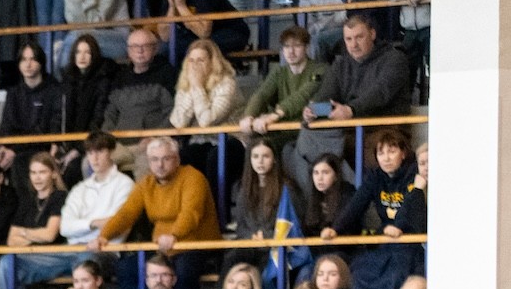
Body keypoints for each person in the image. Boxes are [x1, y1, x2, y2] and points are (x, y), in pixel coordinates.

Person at [0, 131, 131, 289]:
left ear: (111, 152)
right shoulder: (80, 188)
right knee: (8, 262)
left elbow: (118, 225)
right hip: (70, 249)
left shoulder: (125, 184)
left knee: (84, 262)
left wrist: (85, 227)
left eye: (100, 151)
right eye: (90, 153)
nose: (94, 158)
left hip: (105, 251)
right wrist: (94, 223)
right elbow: (66, 228)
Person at [88, 137, 221, 289]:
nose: (160, 165)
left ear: (177, 159)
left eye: (166, 158)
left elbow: (191, 213)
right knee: (126, 269)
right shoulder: (146, 183)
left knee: (182, 273)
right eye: (154, 159)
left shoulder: (193, 177)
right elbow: (126, 213)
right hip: (163, 248)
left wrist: (174, 235)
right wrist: (103, 236)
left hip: (195, 245)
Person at [290, 16, 413, 194]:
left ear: (372, 34)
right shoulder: (341, 64)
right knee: (302, 141)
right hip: (349, 131)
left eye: (359, 37)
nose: (353, 44)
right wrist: (313, 109)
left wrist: (351, 110)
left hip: (386, 130)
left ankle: (360, 199)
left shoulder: (395, 59)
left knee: (360, 149)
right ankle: (319, 201)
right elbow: (325, 95)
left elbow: (380, 93)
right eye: (348, 39)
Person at [326, 128, 425, 289]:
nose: (386, 158)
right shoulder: (375, 177)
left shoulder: (414, 174)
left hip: (410, 243)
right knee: (358, 272)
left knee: (396, 277)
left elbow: (412, 207)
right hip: (385, 242)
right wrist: (336, 228)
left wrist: (399, 226)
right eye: (381, 152)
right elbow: (357, 204)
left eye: (392, 151)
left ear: (403, 153)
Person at [0, 152, 67, 289]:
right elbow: (11, 240)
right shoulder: (28, 200)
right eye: (33, 173)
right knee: (5, 264)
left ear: (53, 174)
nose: (37, 177)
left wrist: (25, 233)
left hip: (56, 257)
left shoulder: (60, 197)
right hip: (30, 257)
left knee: (7, 264)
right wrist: (35, 236)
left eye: (42, 172)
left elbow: (50, 235)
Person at [223, 140, 305, 288]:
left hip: (277, 248)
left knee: (264, 271)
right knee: (232, 259)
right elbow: (241, 226)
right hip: (251, 245)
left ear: (274, 159)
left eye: (265, 156)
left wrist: (266, 236)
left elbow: (294, 226)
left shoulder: (288, 189)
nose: (260, 161)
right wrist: (252, 236)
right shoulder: (242, 188)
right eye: (255, 156)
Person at [238, 24, 324, 155]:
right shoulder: (279, 72)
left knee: (265, 147)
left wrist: (274, 115)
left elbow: (303, 95)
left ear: (306, 47)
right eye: (287, 46)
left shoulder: (320, 69)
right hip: (281, 130)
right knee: (243, 145)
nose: (291, 51)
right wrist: (249, 116)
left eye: (296, 46)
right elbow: (262, 94)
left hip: (307, 132)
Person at [101, 26, 176, 173]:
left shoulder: (167, 74)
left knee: (147, 165)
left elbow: (172, 113)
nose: (140, 51)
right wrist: (107, 139)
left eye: (145, 46)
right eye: (135, 47)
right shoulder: (120, 77)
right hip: (119, 144)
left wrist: (155, 137)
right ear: (128, 51)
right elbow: (110, 113)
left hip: (152, 144)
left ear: (155, 48)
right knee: (92, 163)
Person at [169, 38, 240, 184]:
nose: (195, 65)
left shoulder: (227, 84)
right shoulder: (185, 85)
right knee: (179, 157)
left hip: (228, 142)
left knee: (213, 159)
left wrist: (197, 87)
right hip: (199, 142)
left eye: (200, 60)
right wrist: (192, 89)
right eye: (191, 61)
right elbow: (178, 123)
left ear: (212, 62)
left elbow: (207, 122)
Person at [0, 41, 62, 189]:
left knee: (20, 162)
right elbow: (6, 124)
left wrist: (14, 150)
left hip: (39, 146)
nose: (28, 64)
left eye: (32, 59)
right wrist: (3, 146)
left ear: (41, 62)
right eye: (24, 59)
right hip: (15, 145)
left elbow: (44, 130)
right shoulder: (14, 92)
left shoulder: (54, 90)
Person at [55, 34, 114, 183]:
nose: (82, 57)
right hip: (67, 143)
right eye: (78, 52)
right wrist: (55, 144)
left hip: (89, 144)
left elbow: (98, 120)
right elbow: (59, 115)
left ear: (94, 55)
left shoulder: (103, 81)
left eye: (87, 52)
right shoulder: (67, 79)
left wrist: (78, 149)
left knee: (72, 169)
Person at [300, 153, 354, 242]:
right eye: (316, 173)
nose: (319, 178)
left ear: (336, 176)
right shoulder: (313, 197)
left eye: (325, 172)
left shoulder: (347, 194)